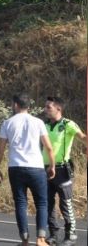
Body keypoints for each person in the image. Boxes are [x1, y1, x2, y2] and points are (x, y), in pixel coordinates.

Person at [0, 93, 56, 246]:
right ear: (29, 106)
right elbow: (48, 147)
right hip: (36, 167)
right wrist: (52, 165)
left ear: (15, 105)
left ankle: (25, 240)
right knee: (42, 203)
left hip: (16, 168)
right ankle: (41, 239)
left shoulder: (7, 123)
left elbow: (0, 149)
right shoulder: (38, 122)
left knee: (21, 203)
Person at [43, 96, 86, 245]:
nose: (45, 110)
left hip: (62, 170)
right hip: (45, 169)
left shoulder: (68, 124)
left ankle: (71, 235)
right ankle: (53, 234)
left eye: (49, 107)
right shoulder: (44, 125)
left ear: (58, 109)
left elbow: (83, 137)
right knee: (48, 203)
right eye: (45, 107)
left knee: (65, 203)